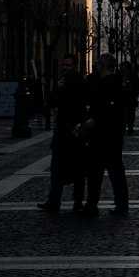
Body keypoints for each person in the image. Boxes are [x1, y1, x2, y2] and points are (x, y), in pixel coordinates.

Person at [37, 53, 88, 213]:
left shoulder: (81, 83)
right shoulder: (61, 83)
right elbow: (50, 104)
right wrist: (57, 89)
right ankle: (54, 200)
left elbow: (85, 105)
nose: (65, 68)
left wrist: (82, 124)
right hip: (61, 131)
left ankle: (78, 201)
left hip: (76, 131)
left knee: (79, 169)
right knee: (56, 167)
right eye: (64, 65)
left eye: (68, 65)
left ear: (75, 66)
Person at [81, 53, 129, 217]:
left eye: (97, 64)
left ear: (103, 66)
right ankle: (95, 204)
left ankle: (114, 204)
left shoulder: (112, 85)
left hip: (107, 135)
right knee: (102, 172)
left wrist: (95, 120)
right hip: (107, 136)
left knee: (109, 172)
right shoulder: (105, 83)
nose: (95, 66)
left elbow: (112, 110)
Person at [119, 61, 139, 135]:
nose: (123, 68)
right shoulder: (119, 76)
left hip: (130, 97)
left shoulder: (132, 76)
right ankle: (123, 128)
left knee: (131, 114)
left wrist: (133, 91)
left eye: (124, 66)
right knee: (122, 114)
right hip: (121, 98)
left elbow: (137, 86)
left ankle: (130, 127)